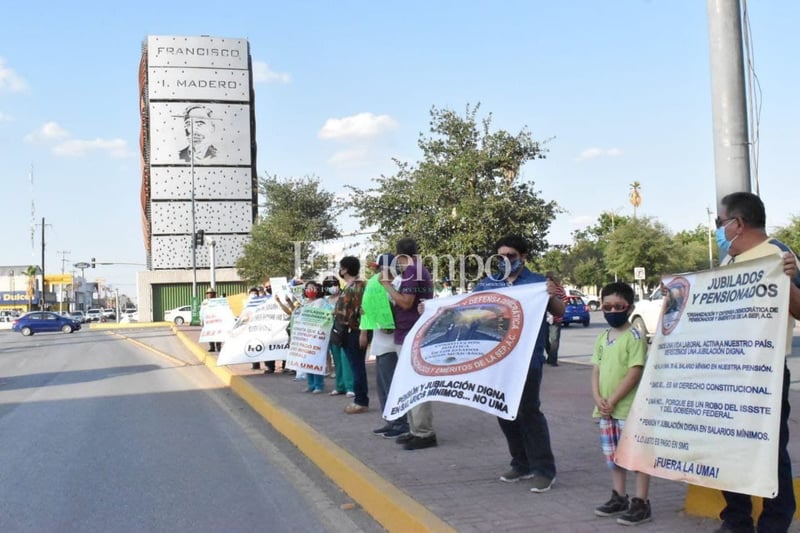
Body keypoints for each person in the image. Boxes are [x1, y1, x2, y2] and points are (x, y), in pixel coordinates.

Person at [714, 192, 800, 533]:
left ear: (738, 223)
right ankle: (736, 519)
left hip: (764, 372)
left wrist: (789, 280)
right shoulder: (729, 260)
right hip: (727, 371)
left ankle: (774, 523)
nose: (720, 230)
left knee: (769, 452)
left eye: (721, 223)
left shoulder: (779, 254)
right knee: (729, 447)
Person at [473, 234, 564, 492]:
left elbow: (559, 312)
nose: (505, 260)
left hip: (528, 358)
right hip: (498, 359)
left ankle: (544, 470)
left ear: (523, 257)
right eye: (500, 256)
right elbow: (465, 308)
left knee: (529, 411)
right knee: (503, 410)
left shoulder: (537, 283)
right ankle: (521, 463)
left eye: (511, 256)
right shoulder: (488, 284)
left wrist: (551, 293)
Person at [591, 282, 651, 526]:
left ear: (630, 308)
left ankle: (641, 502)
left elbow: (634, 372)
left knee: (637, 457)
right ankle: (619, 496)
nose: (612, 311)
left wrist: (613, 400)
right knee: (614, 456)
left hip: (629, 409)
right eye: (607, 306)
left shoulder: (635, 336)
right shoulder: (602, 337)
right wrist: (598, 398)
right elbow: (596, 369)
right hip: (606, 411)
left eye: (619, 306)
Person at [379, 238, 436, 450]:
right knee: (409, 383)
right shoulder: (415, 271)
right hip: (406, 332)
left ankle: (424, 432)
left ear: (399, 255)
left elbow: (406, 302)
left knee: (416, 384)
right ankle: (415, 430)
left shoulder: (413, 271)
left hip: (412, 333)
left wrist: (386, 285)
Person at [363, 253, 409, 439]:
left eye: (380, 267)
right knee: (382, 386)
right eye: (376, 268)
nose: (377, 271)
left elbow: (398, 309)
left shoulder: (397, 284)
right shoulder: (377, 285)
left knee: (392, 385)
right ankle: (390, 420)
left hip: (392, 343)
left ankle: (400, 423)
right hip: (380, 342)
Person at [333, 256, 369, 414]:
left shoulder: (358, 286)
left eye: (341, 267)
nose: (339, 270)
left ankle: (360, 400)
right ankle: (360, 399)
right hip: (346, 331)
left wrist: (363, 333)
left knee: (357, 366)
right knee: (355, 366)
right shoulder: (349, 286)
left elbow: (364, 311)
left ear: (346, 269)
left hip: (354, 331)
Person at [323, 276, 354, 397]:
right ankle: (339, 386)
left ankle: (350, 387)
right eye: (330, 284)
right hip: (331, 333)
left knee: (346, 359)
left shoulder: (344, 297)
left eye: (335, 283)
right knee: (337, 360)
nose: (333, 286)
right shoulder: (324, 301)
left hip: (344, 331)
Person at [544, 271, 568, 367]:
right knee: (546, 339)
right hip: (546, 318)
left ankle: (552, 359)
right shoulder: (543, 289)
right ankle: (551, 357)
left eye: (549, 279)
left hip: (556, 318)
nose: (548, 282)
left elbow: (565, 301)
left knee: (554, 340)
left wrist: (559, 307)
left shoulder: (559, 289)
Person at [201, 288, 222, 353]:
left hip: (216, 320)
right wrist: (201, 320)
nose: (209, 294)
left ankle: (218, 347)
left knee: (218, 334)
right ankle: (212, 347)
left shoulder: (218, 301)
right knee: (210, 334)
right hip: (208, 320)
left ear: (214, 294)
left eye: (211, 293)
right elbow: (202, 311)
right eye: (208, 293)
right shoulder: (205, 302)